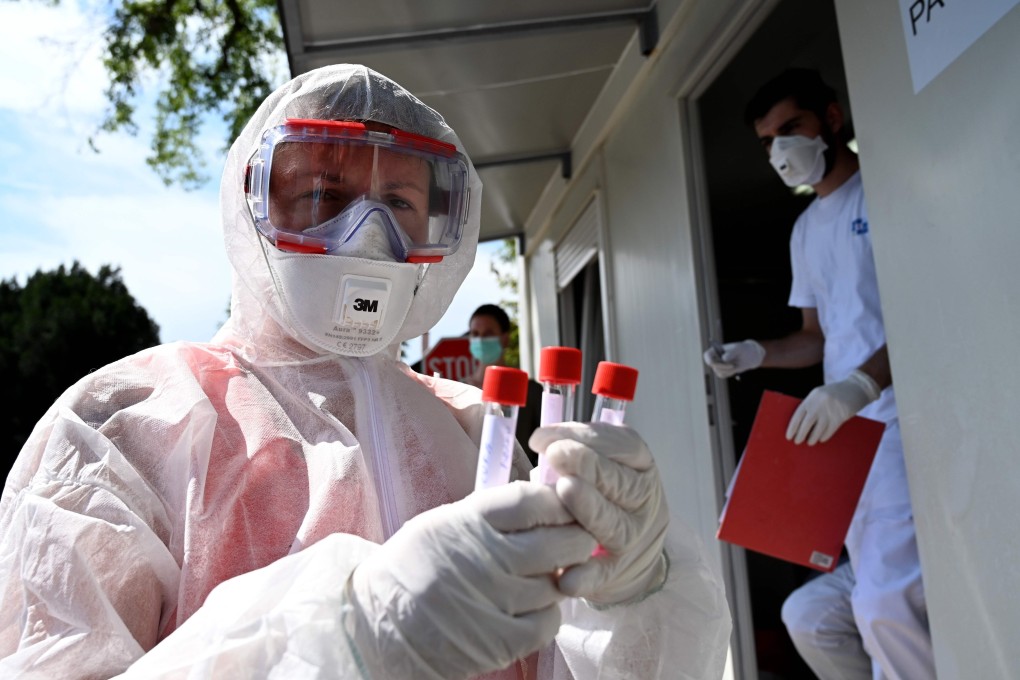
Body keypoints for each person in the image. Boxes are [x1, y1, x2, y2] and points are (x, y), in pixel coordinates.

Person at [0, 64, 730, 679]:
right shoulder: (123, 428)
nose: (366, 236)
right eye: (324, 196)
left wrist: (637, 594)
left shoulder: (483, 431)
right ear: (251, 204)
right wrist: (348, 635)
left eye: (401, 204)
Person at [704, 68, 934, 679]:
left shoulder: (888, 192)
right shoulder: (807, 229)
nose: (780, 151)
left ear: (832, 119)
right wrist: (757, 353)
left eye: (791, 129)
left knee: (889, 601)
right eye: (767, 141)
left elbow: (926, 310)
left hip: (905, 424)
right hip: (847, 440)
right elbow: (815, 339)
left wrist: (862, 384)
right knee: (837, 608)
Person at [466, 303, 544, 465]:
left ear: (505, 338)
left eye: (488, 334)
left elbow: (545, 447)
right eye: (475, 334)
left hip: (521, 485)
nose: (480, 340)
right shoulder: (458, 390)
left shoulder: (530, 390)